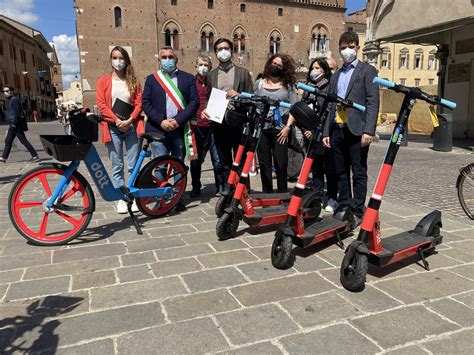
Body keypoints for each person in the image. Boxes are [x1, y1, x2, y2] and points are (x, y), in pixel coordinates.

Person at [322, 31, 379, 223]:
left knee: (358, 170)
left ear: (357, 48)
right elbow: (330, 104)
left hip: (357, 128)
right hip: (337, 127)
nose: (347, 51)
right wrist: (326, 131)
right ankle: (344, 204)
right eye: (344, 47)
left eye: (351, 47)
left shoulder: (367, 71)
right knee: (341, 170)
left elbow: (372, 101)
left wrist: (369, 130)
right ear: (339, 49)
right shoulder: (336, 75)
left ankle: (358, 208)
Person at [142, 46, 199, 211]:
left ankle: (177, 197)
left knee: (178, 164)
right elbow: (146, 103)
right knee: (160, 165)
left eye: (170, 57)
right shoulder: (152, 79)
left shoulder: (188, 79)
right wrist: (161, 121)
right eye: (164, 57)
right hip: (158, 129)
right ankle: (161, 197)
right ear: (159, 60)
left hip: (179, 128)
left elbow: (194, 102)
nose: (168, 60)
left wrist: (178, 120)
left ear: (176, 59)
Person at [96, 46, 144, 214]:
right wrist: (117, 120)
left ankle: (133, 195)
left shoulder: (134, 82)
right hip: (112, 127)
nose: (118, 61)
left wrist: (130, 120)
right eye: (115, 58)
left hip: (131, 126)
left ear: (126, 60)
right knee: (117, 165)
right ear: (111, 60)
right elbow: (102, 105)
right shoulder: (103, 81)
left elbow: (139, 103)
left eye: (121, 58)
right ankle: (121, 198)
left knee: (133, 164)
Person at [203, 38, 253, 184]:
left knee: (241, 161)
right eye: (219, 49)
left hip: (238, 121)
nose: (223, 51)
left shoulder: (243, 73)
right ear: (215, 53)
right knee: (224, 161)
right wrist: (206, 109)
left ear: (231, 50)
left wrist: (239, 95)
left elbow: (252, 97)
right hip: (219, 122)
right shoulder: (211, 75)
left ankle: (243, 192)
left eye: (225, 48)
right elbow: (208, 97)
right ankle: (228, 192)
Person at [254, 54, 297, 193]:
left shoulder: (288, 86)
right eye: (274, 63)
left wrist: (288, 127)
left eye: (279, 65)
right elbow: (254, 103)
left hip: (280, 129)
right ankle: (267, 194)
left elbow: (293, 108)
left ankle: (282, 194)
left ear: (284, 68)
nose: (276, 67)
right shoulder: (259, 83)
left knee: (280, 163)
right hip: (263, 128)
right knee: (264, 163)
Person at [299, 58, 338, 212]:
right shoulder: (308, 87)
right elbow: (302, 109)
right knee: (315, 168)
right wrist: (304, 129)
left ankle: (332, 198)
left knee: (329, 167)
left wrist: (316, 130)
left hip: (323, 133)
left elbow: (327, 111)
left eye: (318, 68)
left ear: (324, 70)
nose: (314, 71)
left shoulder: (329, 87)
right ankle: (317, 196)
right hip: (309, 134)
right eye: (312, 67)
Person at [190, 55, 225, 197]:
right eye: (200, 64)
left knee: (217, 160)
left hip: (213, 126)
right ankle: (196, 187)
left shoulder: (214, 82)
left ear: (210, 68)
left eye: (206, 65)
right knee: (196, 160)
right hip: (196, 126)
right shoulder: (191, 83)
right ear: (196, 66)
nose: (203, 67)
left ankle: (220, 186)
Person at [0, 86, 39, 163]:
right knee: (8, 141)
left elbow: (17, 112)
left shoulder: (14, 100)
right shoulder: (10, 100)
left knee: (23, 140)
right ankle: (4, 157)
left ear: (11, 91)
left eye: (7, 91)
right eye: (4, 91)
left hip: (15, 124)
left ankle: (35, 155)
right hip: (13, 123)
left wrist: (14, 123)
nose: (5, 92)